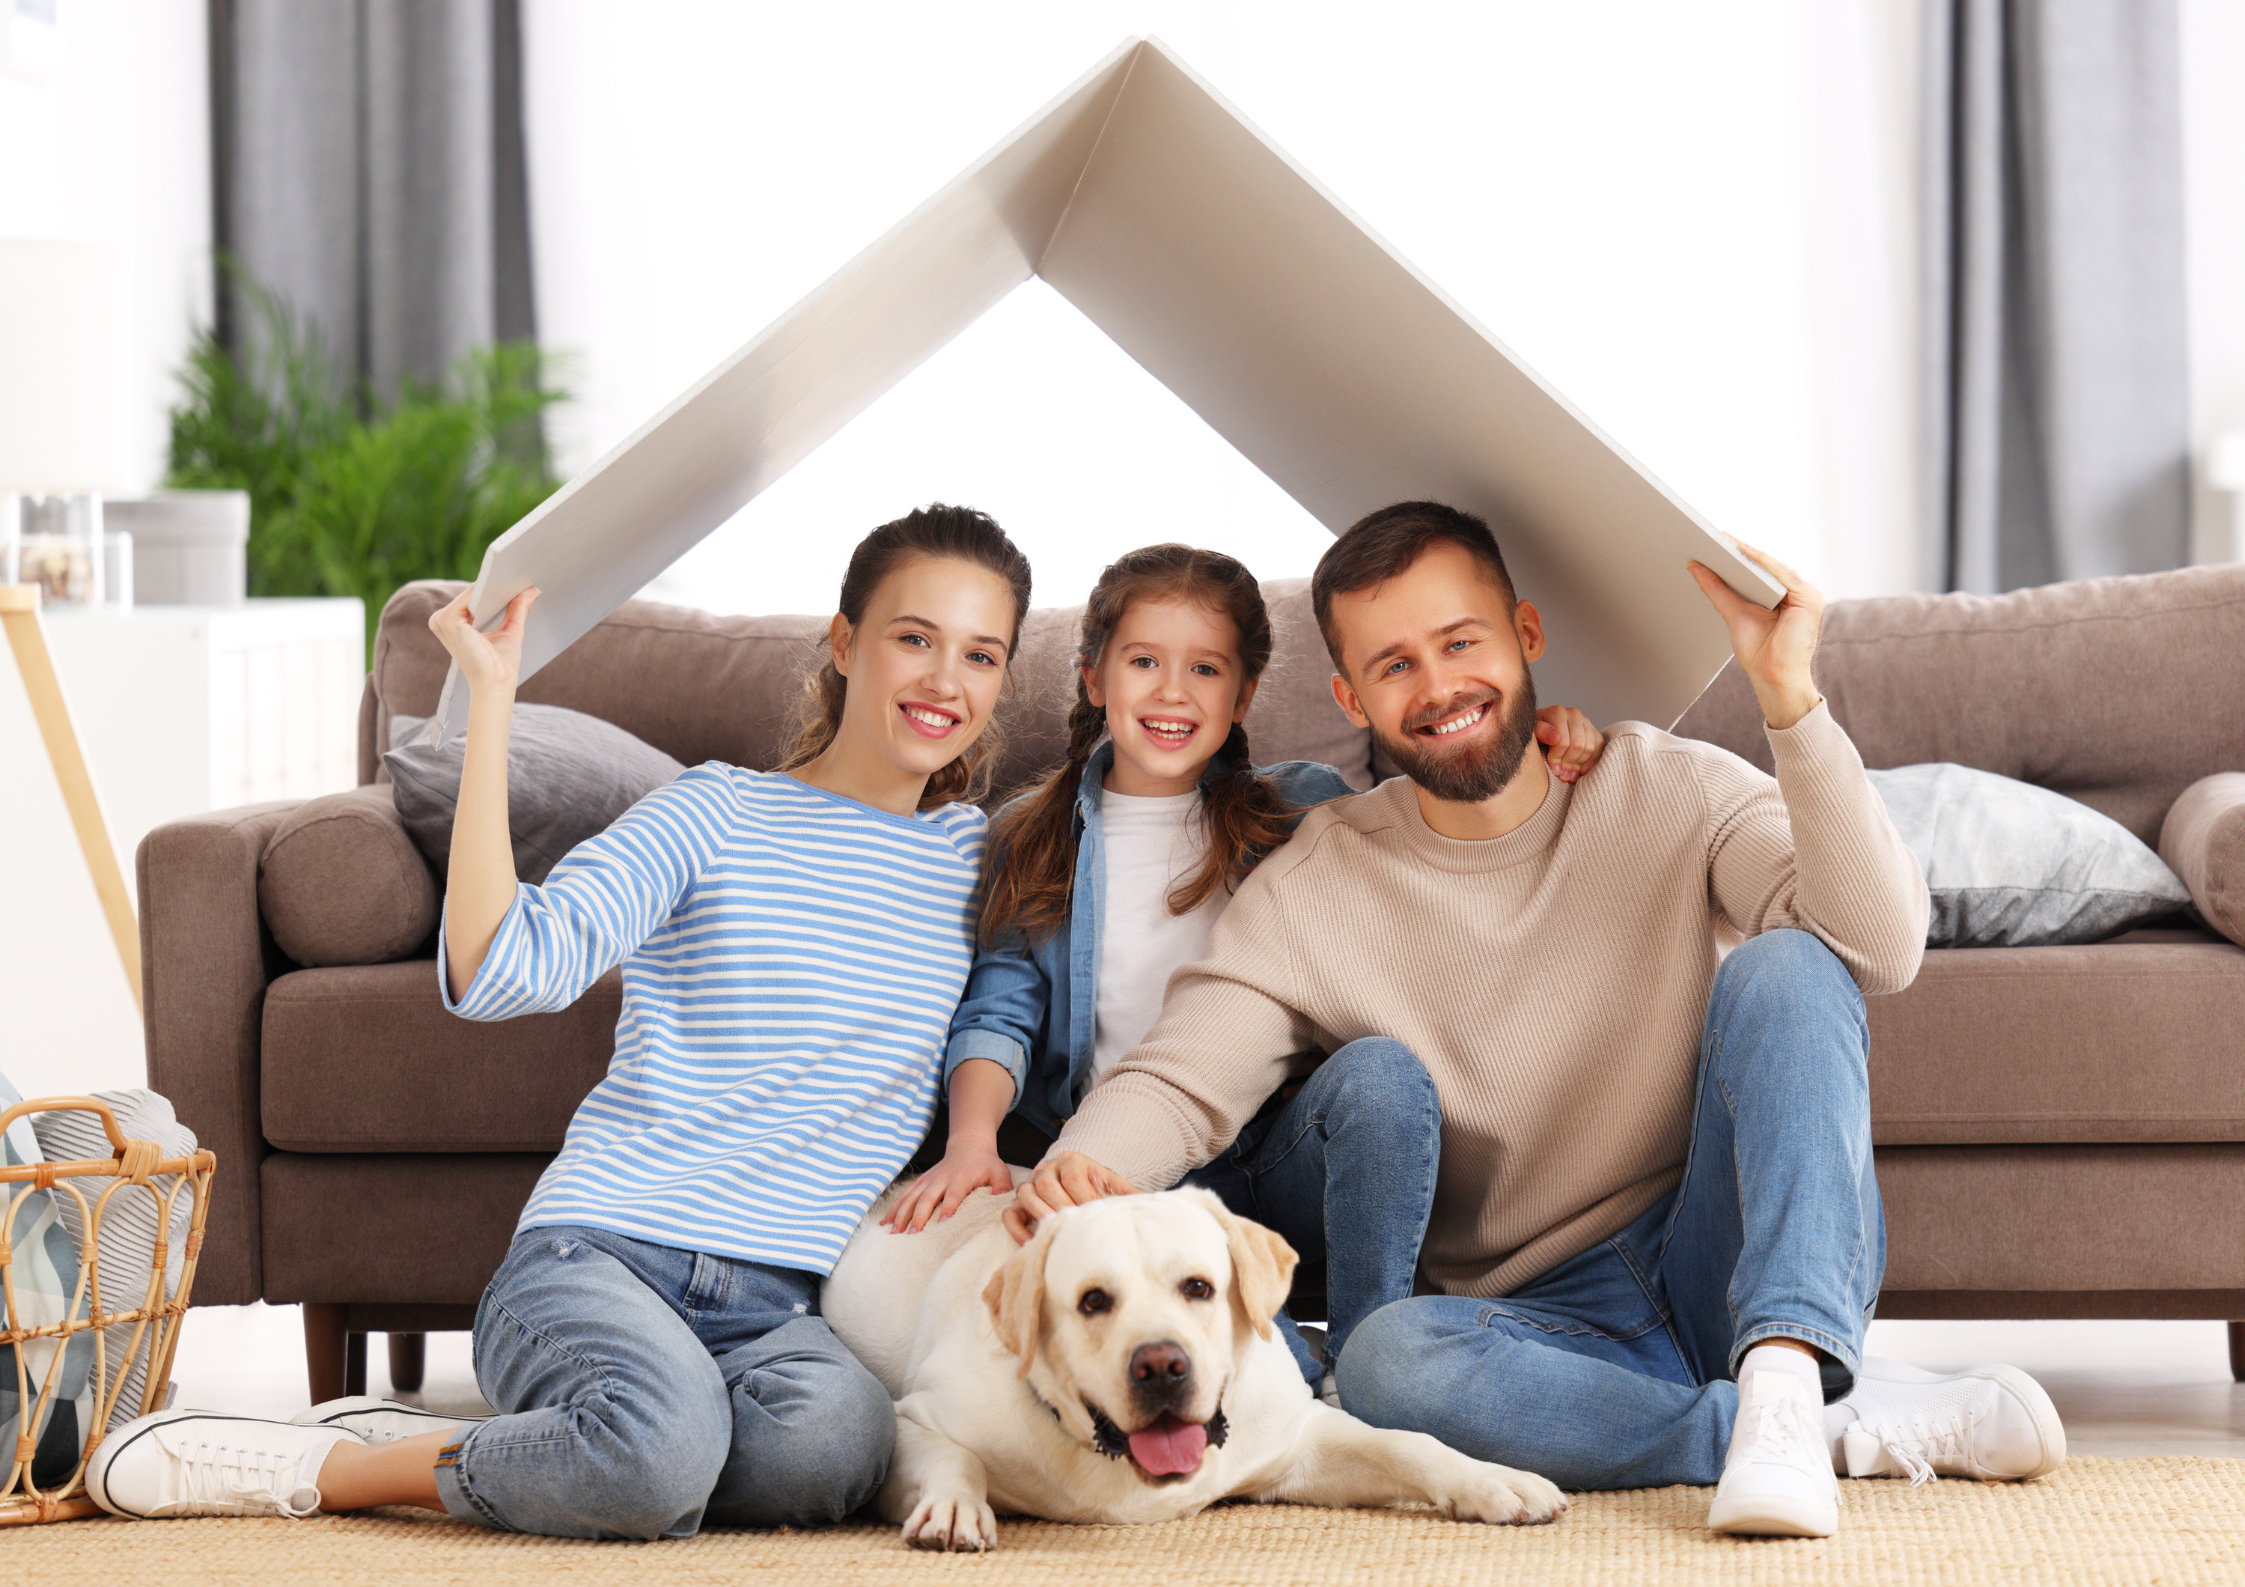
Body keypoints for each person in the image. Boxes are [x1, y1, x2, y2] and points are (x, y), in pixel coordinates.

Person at [1009, 501, 2067, 1540]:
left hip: (1713, 1246)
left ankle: (1786, 1374)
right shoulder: (1315, 878)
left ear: (1525, 637)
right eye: (1393, 666)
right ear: (1351, 695)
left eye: (1459, 642)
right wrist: (1073, 1173)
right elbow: (1185, 1074)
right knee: (1382, 1362)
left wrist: (1788, 698)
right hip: (1532, 1324)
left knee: (1792, 965)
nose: (1436, 688)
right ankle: (1807, 1429)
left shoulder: (1671, 787)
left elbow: (1877, 947)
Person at [87, 504, 1036, 1537]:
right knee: (657, 1460)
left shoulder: (976, 861)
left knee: (834, 1454)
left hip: (781, 1305)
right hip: (601, 1255)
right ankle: (331, 1461)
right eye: (914, 638)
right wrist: (490, 706)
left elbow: (1012, 1004)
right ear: (846, 642)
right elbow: (503, 970)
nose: (946, 681)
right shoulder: (713, 812)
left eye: (980, 655)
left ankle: (616, 1440)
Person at [883, 543, 1606, 1397]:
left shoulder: (1300, 806)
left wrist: (1541, 732)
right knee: (1262, 1378)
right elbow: (998, 1011)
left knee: (1378, 1072)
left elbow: (1445, 797)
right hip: (1137, 1174)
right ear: (1092, 678)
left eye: (1205, 668)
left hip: (1283, 1149)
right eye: (1144, 662)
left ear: (1244, 694)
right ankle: (1293, 1362)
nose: (1172, 692)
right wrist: (972, 1141)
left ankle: (1376, 1346)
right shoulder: (1027, 832)